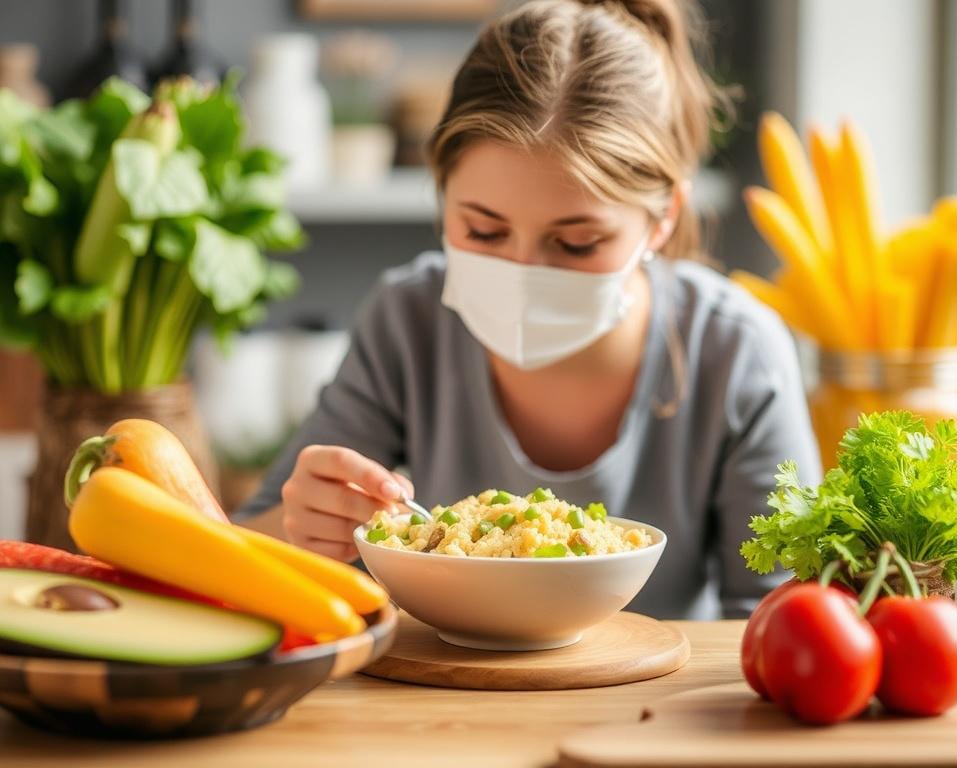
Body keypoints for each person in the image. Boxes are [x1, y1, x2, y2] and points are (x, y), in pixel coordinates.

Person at [237, 0, 821, 619]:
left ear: (663, 217)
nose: (522, 274)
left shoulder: (735, 350)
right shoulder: (409, 319)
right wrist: (306, 525)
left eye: (575, 243)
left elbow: (784, 613)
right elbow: (241, 550)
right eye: (484, 232)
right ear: (442, 195)